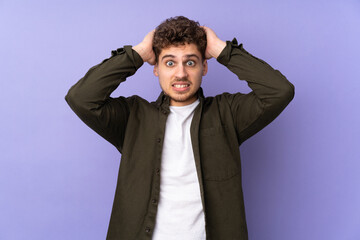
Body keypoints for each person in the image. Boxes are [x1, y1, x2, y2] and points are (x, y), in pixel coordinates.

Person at [65, 16, 295, 240]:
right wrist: (136, 55)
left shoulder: (228, 114)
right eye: (170, 62)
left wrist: (222, 50)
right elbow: (81, 98)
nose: (181, 73)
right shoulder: (133, 117)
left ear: (204, 67)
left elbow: (279, 92)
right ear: (156, 68)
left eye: (191, 62)